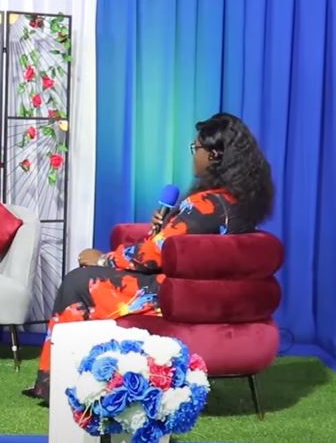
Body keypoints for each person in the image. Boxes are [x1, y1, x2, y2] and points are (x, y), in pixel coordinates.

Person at [24, 112, 274, 401]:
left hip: (172, 296)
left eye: (196, 148)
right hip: (204, 296)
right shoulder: (237, 203)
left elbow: (153, 255)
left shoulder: (203, 204)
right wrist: (166, 226)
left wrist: (103, 259)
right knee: (89, 280)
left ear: (214, 155)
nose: (193, 155)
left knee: (79, 281)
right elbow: (183, 249)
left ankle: (55, 383)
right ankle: (86, 376)